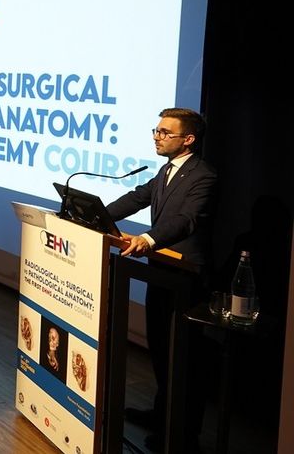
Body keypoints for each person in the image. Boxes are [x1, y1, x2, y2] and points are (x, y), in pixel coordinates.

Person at [106, 107, 217, 452]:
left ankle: (183, 435)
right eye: (156, 130)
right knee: (161, 350)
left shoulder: (204, 175)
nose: (157, 137)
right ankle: (162, 415)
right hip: (161, 271)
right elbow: (137, 197)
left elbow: (186, 220)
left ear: (188, 139)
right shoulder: (166, 170)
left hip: (186, 277)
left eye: (165, 132)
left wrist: (148, 239)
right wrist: (95, 216)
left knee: (183, 356)